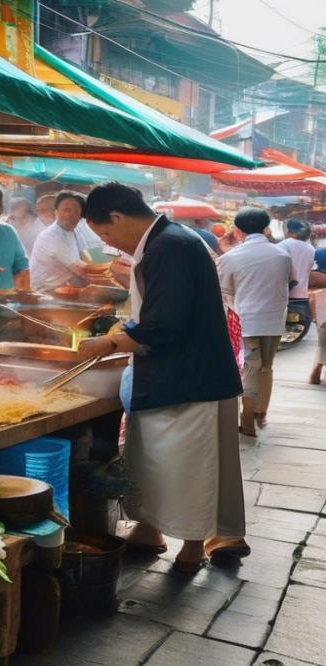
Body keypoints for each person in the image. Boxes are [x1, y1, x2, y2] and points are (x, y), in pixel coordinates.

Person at [76, 182, 246, 573]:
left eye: (105, 233)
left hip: (189, 380)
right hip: (183, 374)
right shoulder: (168, 240)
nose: (110, 242)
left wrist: (110, 342)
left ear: (117, 217)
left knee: (190, 467)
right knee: (153, 460)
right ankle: (150, 530)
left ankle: (190, 548)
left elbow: (164, 325)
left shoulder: (168, 246)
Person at [217, 209, 293, 435]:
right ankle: (261, 412)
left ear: (237, 231)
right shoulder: (282, 256)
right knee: (266, 368)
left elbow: (225, 292)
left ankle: (247, 420)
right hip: (274, 321)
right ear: (266, 229)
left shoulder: (230, 257)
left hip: (246, 322)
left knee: (249, 369)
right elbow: (288, 282)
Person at [29, 191, 104, 291]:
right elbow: (82, 270)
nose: (70, 215)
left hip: (68, 291)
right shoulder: (51, 236)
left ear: (80, 216)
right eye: (66, 210)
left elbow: (87, 259)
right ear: (56, 212)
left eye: (76, 212)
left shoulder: (77, 231)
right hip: (46, 294)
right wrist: (111, 279)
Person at [307, 248, 326, 385]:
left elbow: (311, 300)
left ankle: (316, 371)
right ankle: (316, 372)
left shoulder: (319, 253)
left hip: (322, 307)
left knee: (322, 343)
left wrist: (314, 317)